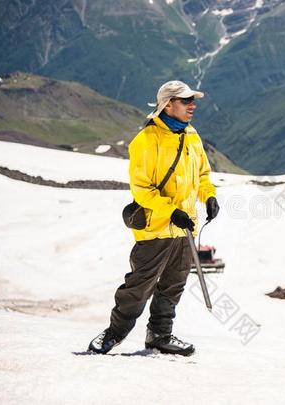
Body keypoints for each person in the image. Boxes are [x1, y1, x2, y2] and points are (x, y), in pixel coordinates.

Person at [88, 80, 220, 356]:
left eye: (192, 100)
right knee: (138, 286)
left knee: (173, 285)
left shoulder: (191, 135)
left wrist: (209, 196)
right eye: (185, 101)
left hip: (184, 230)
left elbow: (203, 175)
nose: (192, 105)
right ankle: (114, 333)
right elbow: (142, 190)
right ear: (168, 104)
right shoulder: (146, 141)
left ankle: (160, 335)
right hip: (156, 228)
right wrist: (172, 211)